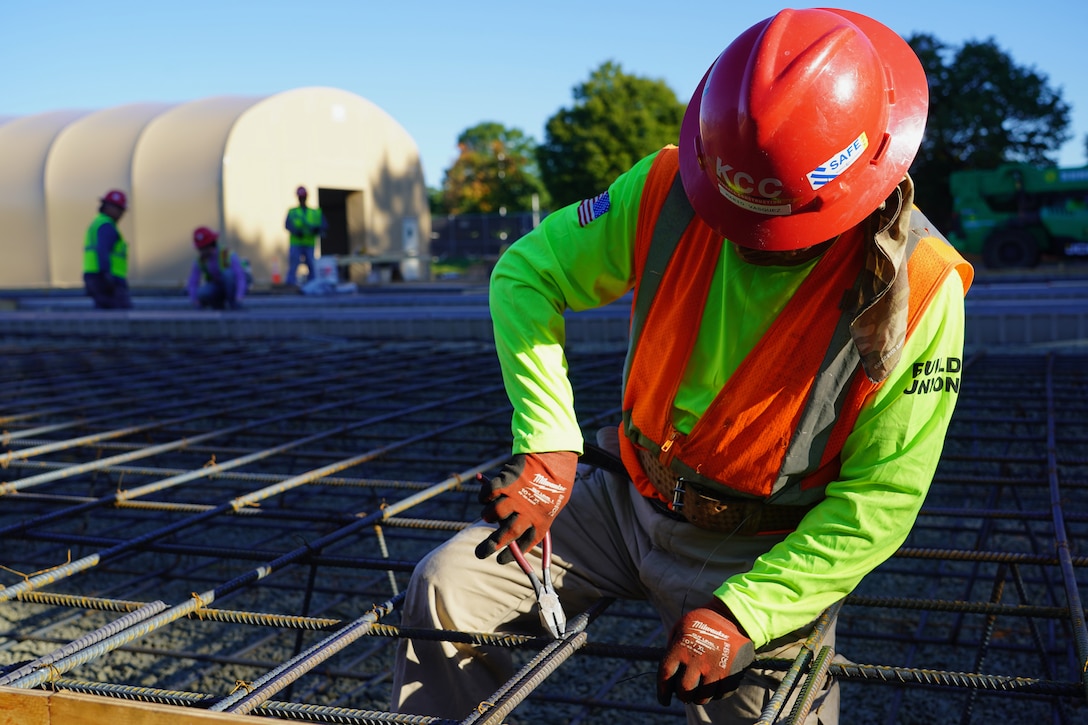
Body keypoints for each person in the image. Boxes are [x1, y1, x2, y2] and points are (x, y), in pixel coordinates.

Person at [391, 8, 974, 725]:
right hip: (624, 493)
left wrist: (746, 614)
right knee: (446, 589)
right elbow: (526, 274)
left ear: (863, 172)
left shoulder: (921, 288)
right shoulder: (671, 186)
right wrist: (547, 443)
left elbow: (880, 499)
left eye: (778, 225)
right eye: (736, 210)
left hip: (763, 547)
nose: (751, 239)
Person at [82, 189, 132, 309]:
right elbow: (102, 250)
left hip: (96, 277)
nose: (121, 214)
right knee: (120, 314)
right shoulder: (106, 226)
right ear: (108, 208)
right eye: (119, 209)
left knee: (105, 314)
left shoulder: (97, 223)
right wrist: (107, 275)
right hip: (106, 280)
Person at [186, 226, 247, 310]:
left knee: (228, 274)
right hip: (217, 286)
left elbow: (240, 277)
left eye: (202, 248)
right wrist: (195, 300)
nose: (200, 252)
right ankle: (218, 304)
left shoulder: (227, 254)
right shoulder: (200, 260)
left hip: (234, 286)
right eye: (199, 249)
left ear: (211, 246)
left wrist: (239, 297)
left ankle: (233, 303)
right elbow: (193, 281)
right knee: (202, 293)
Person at [284, 185, 327, 286]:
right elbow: (287, 225)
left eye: (303, 197)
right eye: (300, 197)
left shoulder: (315, 212)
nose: (302, 199)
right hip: (296, 242)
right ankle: (290, 283)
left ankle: (312, 282)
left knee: (311, 263)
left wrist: (317, 229)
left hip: (309, 243)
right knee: (294, 263)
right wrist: (296, 231)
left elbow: (324, 225)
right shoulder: (293, 212)